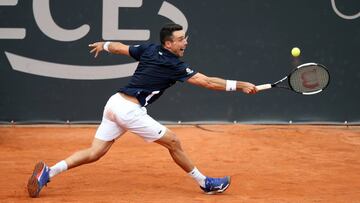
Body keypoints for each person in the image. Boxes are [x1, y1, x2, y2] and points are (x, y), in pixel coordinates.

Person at [27, 23, 258, 198]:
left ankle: (49, 171)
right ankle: (204, 183)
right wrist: (241, 85)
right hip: (129, 111)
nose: (185, 42)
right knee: (174, 142)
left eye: (185, 38)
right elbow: (207, 82)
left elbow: (119, 48)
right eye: (179, 40)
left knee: (95, 152)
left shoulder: (149, 49)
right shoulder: (174, 64)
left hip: (114, 103)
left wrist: (104, 45)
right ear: (168, 44)